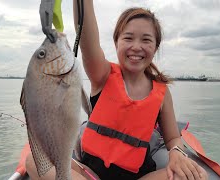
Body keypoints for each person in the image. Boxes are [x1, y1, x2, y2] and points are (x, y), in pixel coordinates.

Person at [26, 0, 208, 179]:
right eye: (128, 38)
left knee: (199, 176)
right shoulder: (102, 74)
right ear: (116, 42)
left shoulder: (162, 93)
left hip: (140, 176)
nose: (136, 47)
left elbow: (173, 139)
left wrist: (177, 153)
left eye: (146, 40)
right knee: (34, 161)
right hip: (91, 174)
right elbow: (87, 39)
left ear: (155, 47)